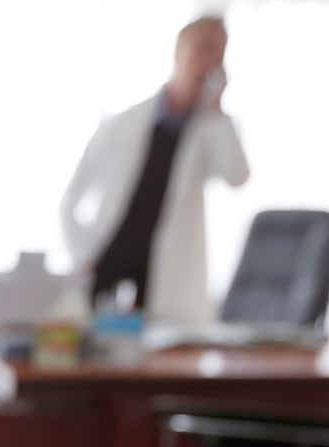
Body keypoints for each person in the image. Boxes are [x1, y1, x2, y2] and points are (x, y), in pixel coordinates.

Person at [59, 17, 249, 329]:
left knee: (154, 367)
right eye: (203, 49)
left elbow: (237, 176)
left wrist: (215, 111)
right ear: (179, 51)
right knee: (101, 359)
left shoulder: (211, 127)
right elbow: (72, 199)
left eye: (219, 53)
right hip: (108, 264)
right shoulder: (124, 122)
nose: (210, 61)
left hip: (165, 280)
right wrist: (83, 255)